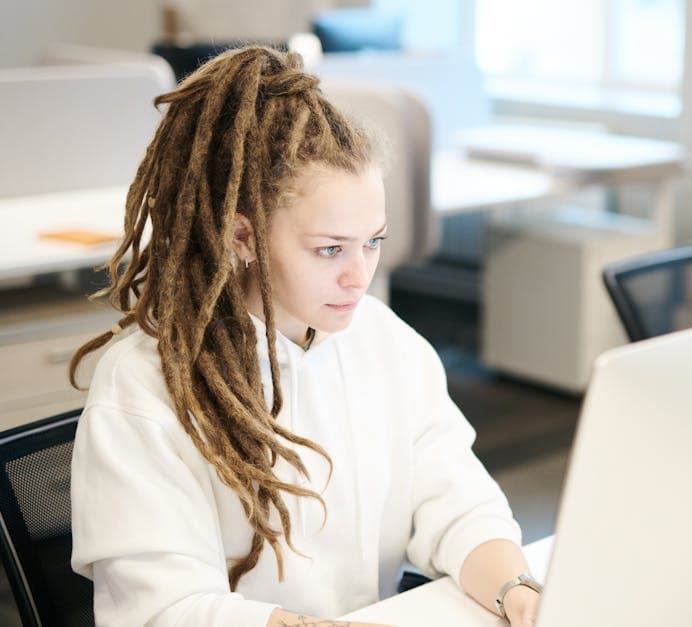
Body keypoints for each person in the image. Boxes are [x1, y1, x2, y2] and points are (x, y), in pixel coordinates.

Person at [68, 47, 540, 627]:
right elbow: (166, 608)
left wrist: (519, 595)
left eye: (373, 241)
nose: (359, 275)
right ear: (242, 237)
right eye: (329, 249)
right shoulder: (146, 386)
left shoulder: (383, 340)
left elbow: (458, 502)